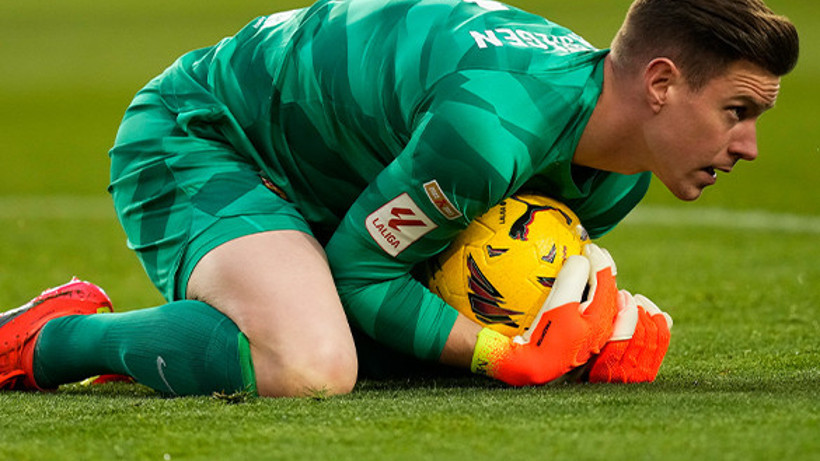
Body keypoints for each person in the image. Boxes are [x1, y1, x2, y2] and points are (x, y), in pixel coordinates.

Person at [0, 0, 798, 396]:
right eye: (738, 111)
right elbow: (365, 271)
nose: (749, 145)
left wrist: (605, 316)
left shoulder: (616, 167)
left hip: (338, 177)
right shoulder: (490, 130)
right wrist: (503, 352)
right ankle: (55, 337)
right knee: (312, 365)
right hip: (203, 138)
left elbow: (485, 263)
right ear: (661, 83)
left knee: (388, 348)